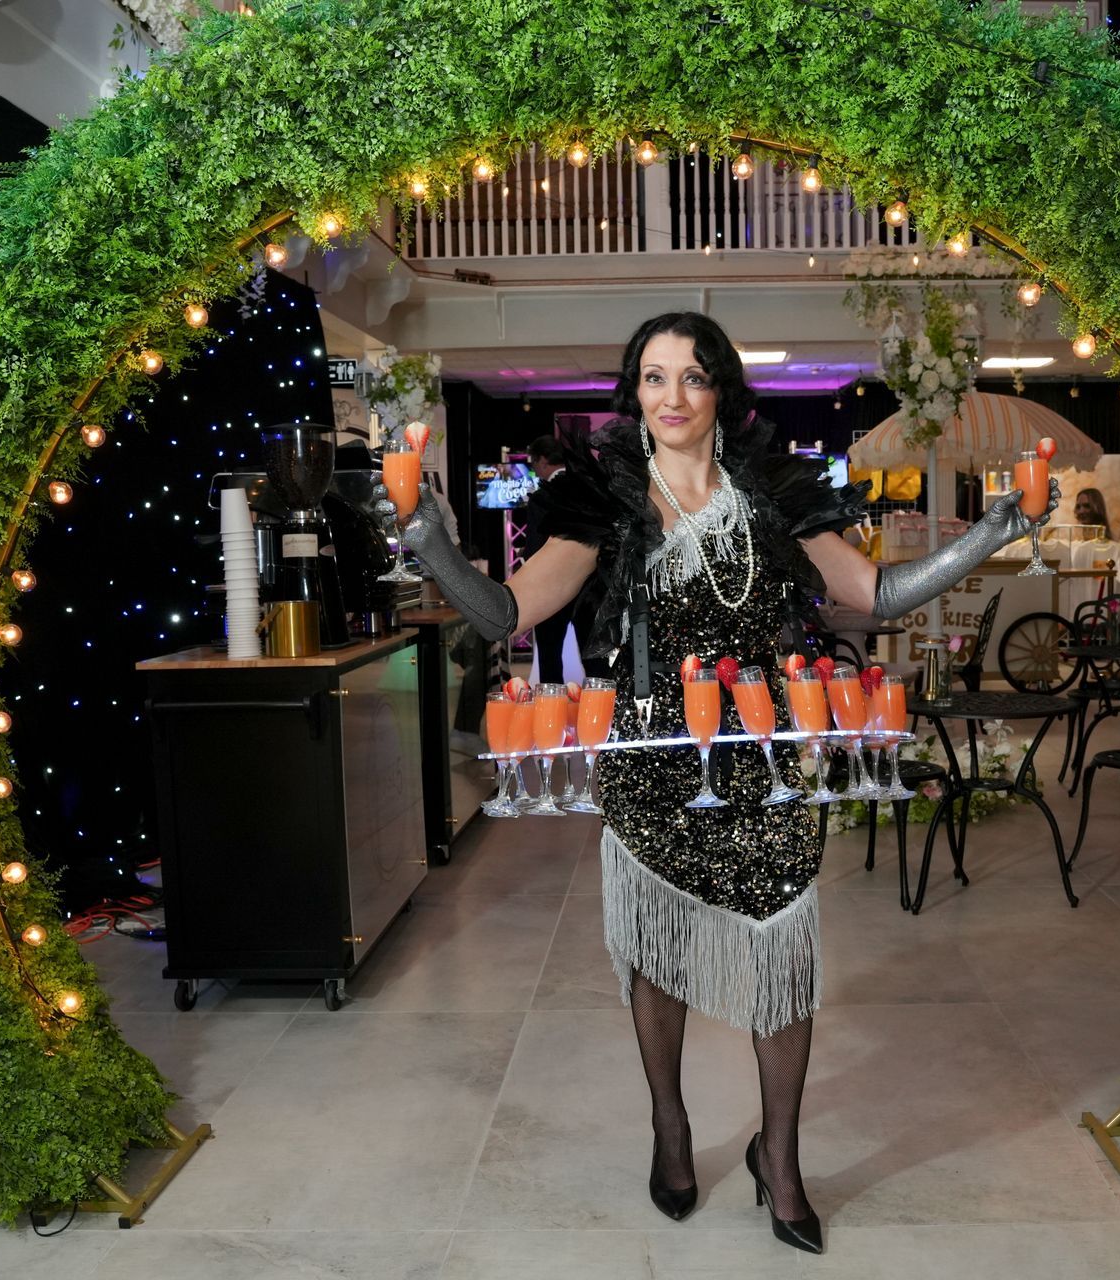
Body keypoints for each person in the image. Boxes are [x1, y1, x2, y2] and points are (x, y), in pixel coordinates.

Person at [396, 312, 1055, 1255]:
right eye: (654, 377)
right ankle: (670, 1127)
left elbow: (873, 594)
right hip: (649, 757)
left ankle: (778, 1156)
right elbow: (505, 612)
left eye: (693, 377)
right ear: (634, 391)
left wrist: (991, 532)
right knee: (657, 952)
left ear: (721, 391)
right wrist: (428, 540)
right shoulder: (604, 495)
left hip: (764, 756)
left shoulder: (772, 491)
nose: (672, 397)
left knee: (784, 952)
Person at [518, 435, 574, 683]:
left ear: (542, 460)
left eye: (534, 464)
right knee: (595, 660)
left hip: (552, 589)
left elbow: (536, 547)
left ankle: (554, 706)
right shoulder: (587, 488)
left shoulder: (543, 497)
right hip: (590, 589)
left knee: (550, 658)